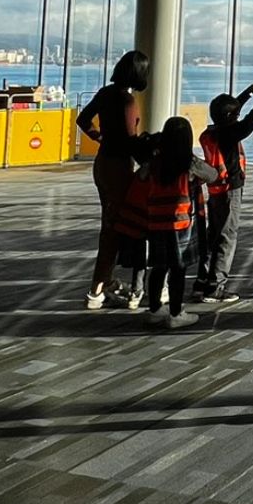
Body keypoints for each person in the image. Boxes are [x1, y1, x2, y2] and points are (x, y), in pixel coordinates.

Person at [78, 51, 150, 309]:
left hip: (102, 163)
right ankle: (96, 291)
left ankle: (103, 282)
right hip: (119, 167)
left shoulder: (105, 93)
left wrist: (99, 137)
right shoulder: (127, 101)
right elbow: (131, 140)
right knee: (116, 229)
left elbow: (82, 119)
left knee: (109, 225)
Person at [194, 83, 253, 306]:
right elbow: (249, 123)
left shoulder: (214, 131)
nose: (238, 116)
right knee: (227, 237)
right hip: (230, 191)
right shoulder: (229, 133)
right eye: (235, 114)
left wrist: (246, 94)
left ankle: (202, 280)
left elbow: (230, 111)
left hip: (216, 191)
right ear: (229, 117)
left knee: (213, 235)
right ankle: (215, 287)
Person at [141, 116, 217, 327]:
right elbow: (213, 175)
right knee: (178, 269)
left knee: (158, 267)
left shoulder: (155, 162)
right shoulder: (190, 163)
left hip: (156, 222)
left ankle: (155, 308)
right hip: (181, 224)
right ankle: (176, 313)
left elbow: (141, 177)